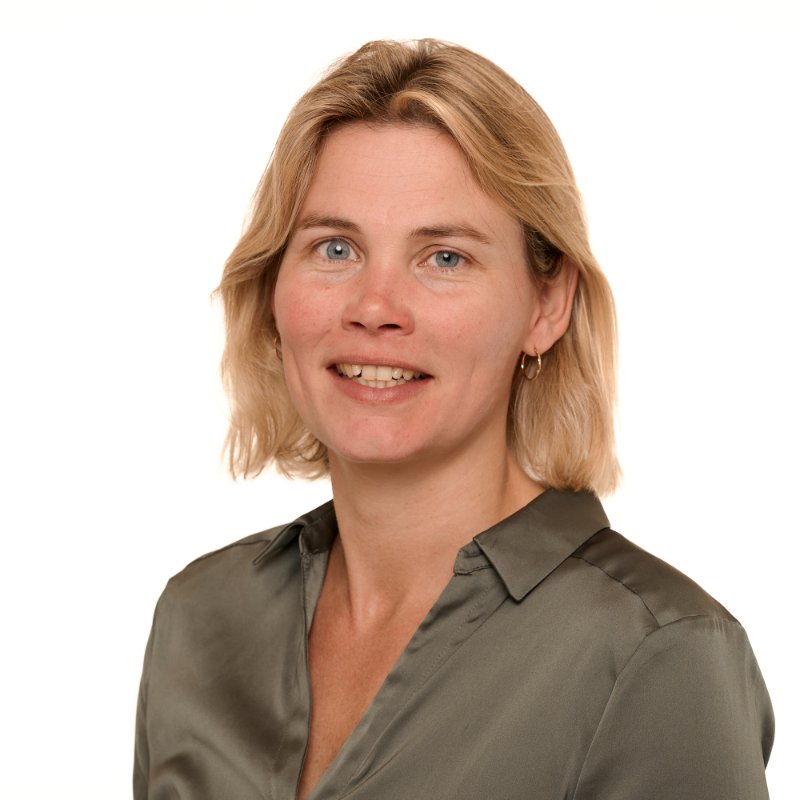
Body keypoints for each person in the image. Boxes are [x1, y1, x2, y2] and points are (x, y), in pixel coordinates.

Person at [133, 39, 774, 799]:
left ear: (547, 304)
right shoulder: (201, 617)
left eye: (444, 258)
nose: (375, 307)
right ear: (273, 291)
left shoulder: (655, 652)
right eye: (334, 248)